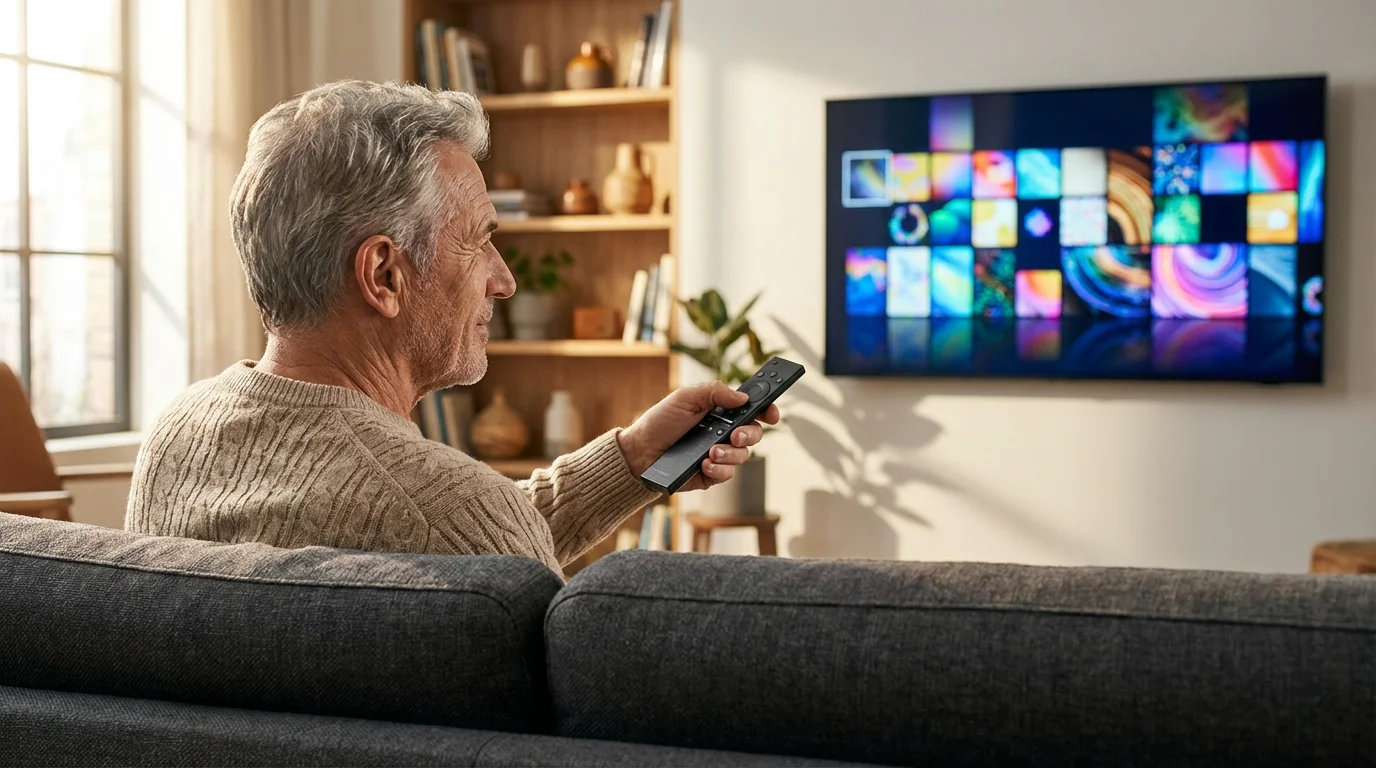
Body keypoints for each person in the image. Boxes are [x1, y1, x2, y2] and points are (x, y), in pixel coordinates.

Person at [124, 80, 776, 576]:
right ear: (383, 275)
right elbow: (456, 536)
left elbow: (449, 542)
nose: (505, 279)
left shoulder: (176, 437)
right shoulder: (445, 513)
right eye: (479, 241)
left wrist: (632, 459)